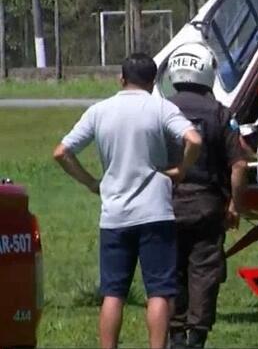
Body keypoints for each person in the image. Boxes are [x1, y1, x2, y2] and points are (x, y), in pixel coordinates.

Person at [53, 53, 202, 349]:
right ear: (153, 81)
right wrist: (181, 170)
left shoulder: (100, 111)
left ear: (121, 79)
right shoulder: (161, 107)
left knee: (113, 292)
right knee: (159, 291)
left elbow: (61, 152)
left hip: (115, 213)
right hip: (155, 211)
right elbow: (194, 140)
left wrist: (91, 182)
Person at [164, 43, 248, 349]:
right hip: (207, 205)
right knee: (205, 270)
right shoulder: (220, 113)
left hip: (166, 203)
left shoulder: (162, 109)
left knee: (172, 269)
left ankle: (175, 334)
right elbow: (238, 165)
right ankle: (197, 336)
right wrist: (234, 205)